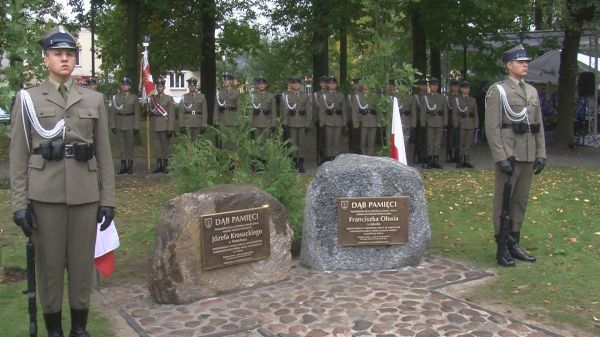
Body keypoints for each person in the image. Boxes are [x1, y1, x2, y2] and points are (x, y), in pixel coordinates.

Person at [10, 26, 116, 337]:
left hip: (85, 194)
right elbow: (18, 156)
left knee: (83, 266)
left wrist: (108, 199)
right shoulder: (28, 99)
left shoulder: (94, 99)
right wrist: (20, 205)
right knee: (50, 267)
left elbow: (105, 154)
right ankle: (54, 329)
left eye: (70, 54)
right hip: (45, 196)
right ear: (46, 59)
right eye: (58, 54)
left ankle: (79, 328)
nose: (65, 59)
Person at [485, 44, 546, 267]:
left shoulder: (532, 91)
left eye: (526, 62)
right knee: (504, 202)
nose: (525, 65)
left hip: (528, 154)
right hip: (510, 155)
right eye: (520, 62)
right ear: (509, 65)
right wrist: (500, 157)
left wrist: (541, 154)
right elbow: (492, 128)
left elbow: (537, 125)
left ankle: (514, 242)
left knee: (520, 201)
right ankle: (502, 246)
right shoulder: (498, 91)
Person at [109, 77, 140, 174]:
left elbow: (137, 113)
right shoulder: (115, 97)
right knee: (121, 146)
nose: (124, 86)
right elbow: (113, 112)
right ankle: (123, 166)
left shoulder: (134, 98)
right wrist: (113, 125)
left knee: (130, 146)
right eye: (123, 84)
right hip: (119, 123)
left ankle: (130, 165)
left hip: (130, 123)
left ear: (129, 86)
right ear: (120, 86)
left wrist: (136, 126)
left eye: (126, 85)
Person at [282, 76, 312, 172]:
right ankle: (295, 163)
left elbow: (308, 111)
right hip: (291, 122)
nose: (296, 85)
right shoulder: (286, 95)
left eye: (297, 83)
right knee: (293, 143)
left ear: (300, 84)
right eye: (294, 83)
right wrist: (285, 123)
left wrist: (308, 123)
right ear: (291, 85)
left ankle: (301, 163)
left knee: (302, 143)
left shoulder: (305, 96)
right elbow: (284, 110)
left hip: (302, 122)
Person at [147, 78, 175, 173]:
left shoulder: (169, 99)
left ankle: (165, 166)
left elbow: (171, 115)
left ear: (164, 87)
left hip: (164, 125)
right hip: (155, 124)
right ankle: (159, 165)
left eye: (161, 86)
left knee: (165, 146)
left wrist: (170, 128)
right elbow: (149, 111)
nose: (159, 88)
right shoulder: (152, 99)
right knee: (157, 146)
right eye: (158, 86)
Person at [420, 77, 447, 169]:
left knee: (437, 142)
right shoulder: (425, 97)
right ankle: (430, 159)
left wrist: (445, 121)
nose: (434, 87)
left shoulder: (442, 97)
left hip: (439, 121)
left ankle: (436, 159)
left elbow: (445, 111)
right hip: (430, 121)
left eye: (436, 85)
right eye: (432, 85)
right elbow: (423, 111)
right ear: (430, 86)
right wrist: (423, 122)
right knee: (430, 141)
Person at [318, 76, 347, 161]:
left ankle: (335, 157)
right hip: (328, 121)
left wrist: (344, 122)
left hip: (338, 120)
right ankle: (328, 157)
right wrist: (322, 123)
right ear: (328, 85)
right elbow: (321, 110)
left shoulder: (340, 95)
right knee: (328, 141)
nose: (333, 85)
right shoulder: (324, 96)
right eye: (331, 83)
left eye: (334, 83)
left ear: (336, 84)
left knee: (336, 141)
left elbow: (344, 109)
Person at [452, 81, 478, 168]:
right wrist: (455, 124)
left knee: (468, 143)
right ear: (461, 89)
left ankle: (466, 160)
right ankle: (460, 160)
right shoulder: (457, 99)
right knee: (460, 143)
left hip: (470, 123)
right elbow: (455, 113)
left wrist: (476, 124)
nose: (466, 90)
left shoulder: (472, 100)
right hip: (461, 123)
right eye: (464, 88)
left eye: (467, 88)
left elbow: (475, 113)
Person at [351, 81, 380, 156]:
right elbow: (355, 110)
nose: (366, 85)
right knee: (363, 141)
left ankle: (370, 155)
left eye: (368, 83)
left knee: (372, 141)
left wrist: (379, 121)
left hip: (373, 120)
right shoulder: (358, 96)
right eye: (365, 84)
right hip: (363, 120)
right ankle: (363, 155)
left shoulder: (375, 96)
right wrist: (356, 123)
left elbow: (379, 109)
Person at [179, 77, 207, 142]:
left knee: (197, 143)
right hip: (187, 123)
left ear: (196, 86)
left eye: (193, 85)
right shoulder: (184, 97)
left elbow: (204, 112)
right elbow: (181, 112)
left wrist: (204, 125)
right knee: (188, 144)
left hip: (198, 123)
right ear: (188, 86)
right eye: (190, 85)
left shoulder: (202, 97)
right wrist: (181, 125)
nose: (192, 87)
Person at [410, 78, 428, 165]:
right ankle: (417, 155)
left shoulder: (428, 96)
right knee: (418, 139)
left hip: (427, 120)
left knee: (426, 139)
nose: (423, 87)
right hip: (418, 120)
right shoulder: (416, 96)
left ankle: (425, 156)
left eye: (424, 85)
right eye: (421, 85)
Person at [313, 75, 329, 164]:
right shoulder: (316, 94)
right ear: (320, 84)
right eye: (322, 82)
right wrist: (315, 120)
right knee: (320, 139)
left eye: (326, 82)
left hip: (330, 119)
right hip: (319, 120)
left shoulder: (330, 93)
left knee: (328, 138)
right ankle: (320, 156)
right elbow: (314, 109)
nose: (324, 84)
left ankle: (327, 156)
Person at [445, 80, 460, 163]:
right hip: (450, 119)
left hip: (459, 120)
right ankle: (449, 155)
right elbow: (447, 108)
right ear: (451, 87)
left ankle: (457, 155)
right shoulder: (448, 97)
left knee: (458, 138)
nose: (456, 88)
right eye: (454, 86)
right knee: (450, 139)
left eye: (457, 86)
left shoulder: (460, 96)